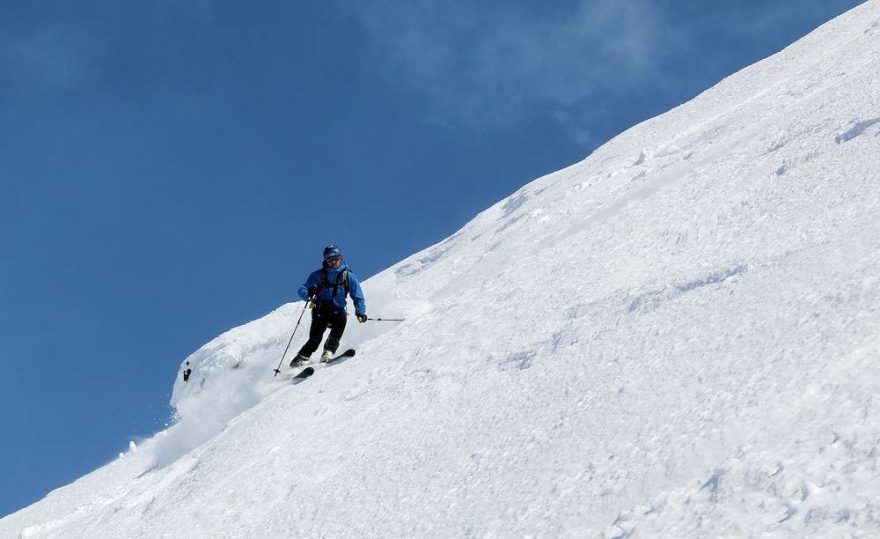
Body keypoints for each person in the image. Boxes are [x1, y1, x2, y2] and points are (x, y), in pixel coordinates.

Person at [290, 244, 366, 366]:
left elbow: (358, 295)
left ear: (341, 258)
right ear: (326, 261)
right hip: (320, 310)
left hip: (337, 310)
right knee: (315, 338)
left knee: (340, 322)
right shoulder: (318, 275)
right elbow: (302, 289)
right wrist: (308, 293)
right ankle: (300, 359)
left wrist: (360, 311)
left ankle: (328, 351)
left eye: (336, 259)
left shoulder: (348, 276)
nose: (333, 262)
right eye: (330, 260)